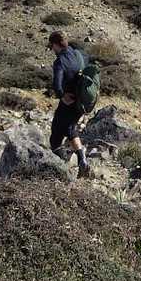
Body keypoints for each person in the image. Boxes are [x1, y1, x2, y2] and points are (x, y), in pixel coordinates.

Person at [49, 28, 90, 176]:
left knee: (55, 136)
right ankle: (82, 159)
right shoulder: (78, 54)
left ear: (56, 44)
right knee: (70, 129)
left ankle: (60, 170)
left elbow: (57, 85)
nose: (52, 49)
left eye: (51, 46)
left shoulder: (60, 61)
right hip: (81, 101)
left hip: (68, 103)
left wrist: (62, 95)